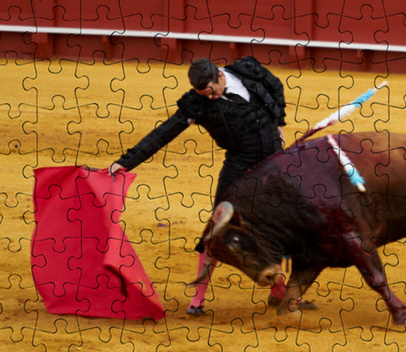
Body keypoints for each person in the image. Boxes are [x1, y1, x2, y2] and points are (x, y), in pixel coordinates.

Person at [108, 57, 293, 315]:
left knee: (283, 225)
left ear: (220, 75)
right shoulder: (197, 103)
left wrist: (278, 122)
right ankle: (198, 299)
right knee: (218, 229)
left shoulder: (246, 71)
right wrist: (126, 161)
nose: (212, 98)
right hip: (240, 165)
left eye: (212, 92)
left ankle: (280, 287)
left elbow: (275, 86)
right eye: (204, 95)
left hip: (273, 160)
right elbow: (165, 132)